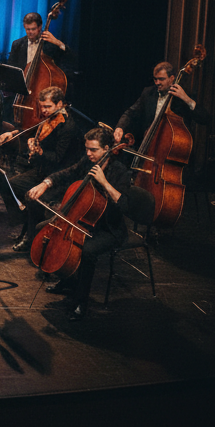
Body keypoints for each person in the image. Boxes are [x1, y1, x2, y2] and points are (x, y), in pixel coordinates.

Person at [24, 128, 136, 321]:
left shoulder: (119, 171)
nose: (88, 154)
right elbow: (68, 172)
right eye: (86, 149)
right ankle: (67, 280)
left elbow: (125, 205)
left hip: (109, 228)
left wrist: (105, 182)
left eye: (93, 150)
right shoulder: (88, 161)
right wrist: (46, 183)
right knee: (42, 229)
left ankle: (81, 302)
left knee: (87, 251)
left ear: (107, 149)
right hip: (84, 220)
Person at [0, 86, 83, 248]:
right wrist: (14, 133)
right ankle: (25, 222)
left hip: (58, 177)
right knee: (8, 184)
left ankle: (30, 238)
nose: (44, 111)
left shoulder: (68, 127)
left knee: (33, 199)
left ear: (59, 104)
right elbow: (33, 131)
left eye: (47, 107)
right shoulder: (51, 118)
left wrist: (39, 152)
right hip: (42, 170)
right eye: (42, 106)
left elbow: (58, 159)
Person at [114, 61, 209, 147]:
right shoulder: (148, 93)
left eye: (161, 79)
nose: (157, 83)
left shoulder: (182, 97)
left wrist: (187, 100)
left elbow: (205, 119)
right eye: (155, 79)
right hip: (149, 147)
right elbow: (131, 113)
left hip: (172, 149)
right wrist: (120, 127)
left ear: (171, 78)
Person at [7, 11, 72, 71]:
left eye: (33, 29)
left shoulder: (50, 44)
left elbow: (70, 59)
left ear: (40, 27)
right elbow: (11, 68)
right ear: (24, 26)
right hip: (23, 82)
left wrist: (59, 44)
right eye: (28, 29)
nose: (30, 32)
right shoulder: (17, 44)